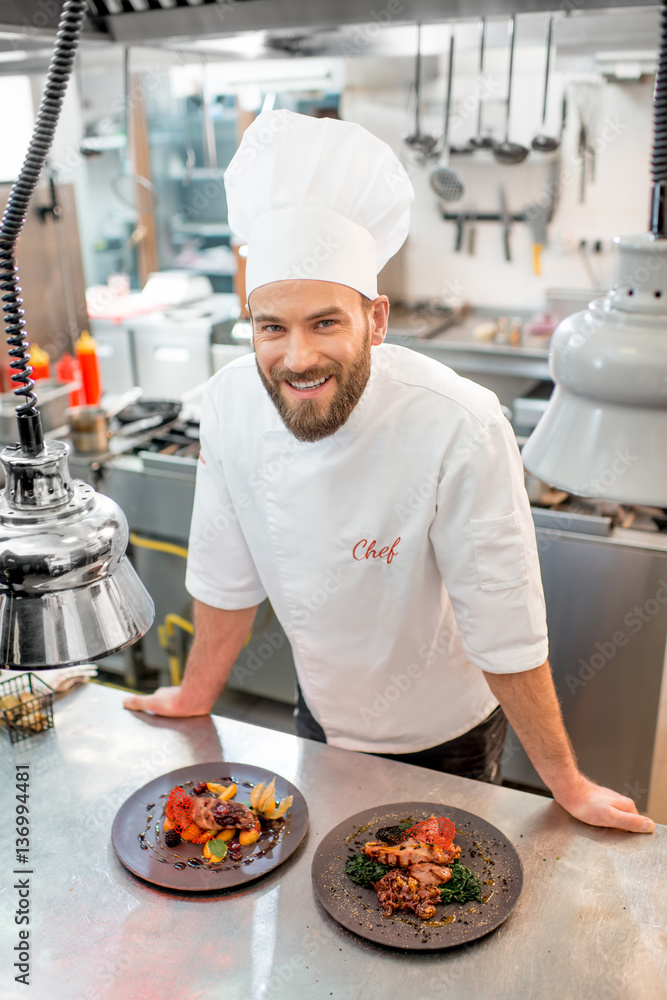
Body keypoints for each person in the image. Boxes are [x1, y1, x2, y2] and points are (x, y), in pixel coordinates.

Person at [124, 111, 654, 835]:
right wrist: (193, 695)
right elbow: (225, 580)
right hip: (318, 713)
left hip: (449, 736)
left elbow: (503, 623)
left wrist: (564, 782)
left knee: (438, 911)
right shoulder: (227, 407)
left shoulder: (459, 425)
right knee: (322, 899)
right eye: (271, 327)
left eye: (324, 322)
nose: (297, 357)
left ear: (374, 319)